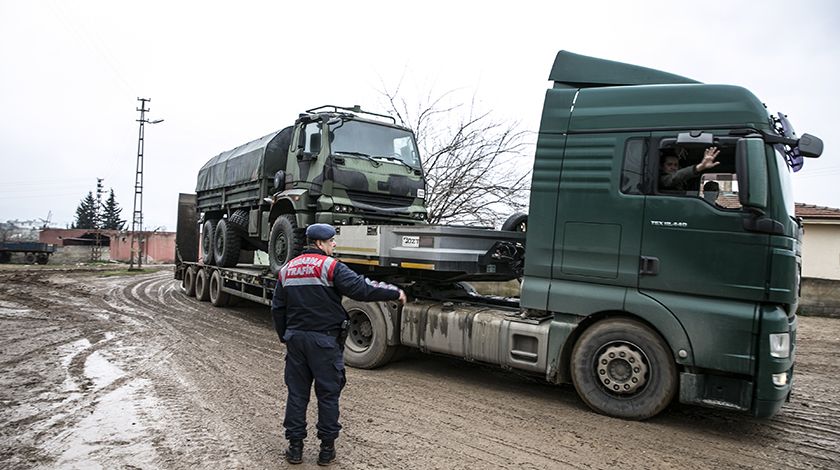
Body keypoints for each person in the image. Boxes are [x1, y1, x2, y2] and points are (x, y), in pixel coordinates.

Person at [271, 223, 407, 466]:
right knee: (328, 395)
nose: (334, 244)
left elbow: (277, 308)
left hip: (296, 340)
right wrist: (393, 293)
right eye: (332, 240)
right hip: (324, 341)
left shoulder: (286, 269)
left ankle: (294, 448)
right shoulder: (330, 267)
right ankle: (326, 450)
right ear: (320, 243)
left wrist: (286, 336)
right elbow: (362, 289)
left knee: (297, 394)